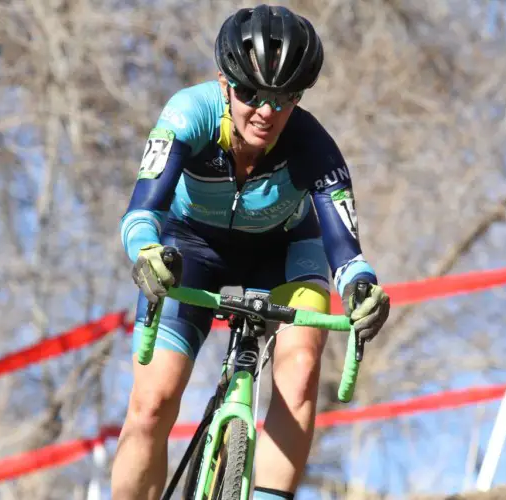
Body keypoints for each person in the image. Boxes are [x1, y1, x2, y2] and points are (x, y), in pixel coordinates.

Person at [111, 4, 391, 499]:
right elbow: (141, 212)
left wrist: (363, 291)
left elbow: (347, 255)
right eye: (250, 94)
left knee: (301, 371)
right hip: (189, 247)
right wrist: (147, 251)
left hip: (284, 251)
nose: (266, 111)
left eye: (284, 98)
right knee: (151, 404)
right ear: (223, 83)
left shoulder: (314, 147)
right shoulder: (187, 115)